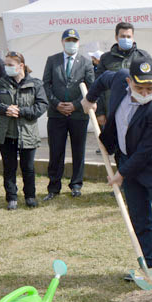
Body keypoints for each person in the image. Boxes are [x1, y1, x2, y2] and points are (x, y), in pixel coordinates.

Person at [81, 57, 152, 287]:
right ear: (129, 81)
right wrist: (89, 99)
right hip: (128, 159)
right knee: (140, 219)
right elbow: (102, 80)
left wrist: (121, 173)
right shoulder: (119, 79)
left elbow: (147, 151)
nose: (146, 92)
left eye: (151, 87)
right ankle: (150, 267)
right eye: (140, 88)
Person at [0, 51, 47, 210]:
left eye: (10, 65)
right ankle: (11, 197)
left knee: (28, 167)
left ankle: (30, 196)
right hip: (6, 133)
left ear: (21, 66)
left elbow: (41, 106)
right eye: (6, 64)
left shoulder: (35, 84)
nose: (7, 68)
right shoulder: (1, 83)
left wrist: (21, 111)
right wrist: (5, 109)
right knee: (9, 167)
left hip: (27, 133)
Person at [41, 28, 95, 200]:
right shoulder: (52, 60)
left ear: (78, 42)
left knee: (78, 150)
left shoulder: (86, 62)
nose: (71, 43)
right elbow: (46, 84)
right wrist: (57, 104)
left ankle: (76, 184)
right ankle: (53, 187)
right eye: (68, 40)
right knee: (56, 151)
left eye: (74, 40)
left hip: (78, 115)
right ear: (62, 42)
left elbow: (91, 88)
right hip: (56, 114)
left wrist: (76, 105)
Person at [96, 22, 150, 126]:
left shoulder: (143, 57)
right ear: (116, 37)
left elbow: (151, 85)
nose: (126, 39)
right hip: (112, 110)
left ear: (133, 37)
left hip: (137, 110)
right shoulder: (106, 58)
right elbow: (98, 86)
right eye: (123, 36)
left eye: (129, 36)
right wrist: (99, 112)